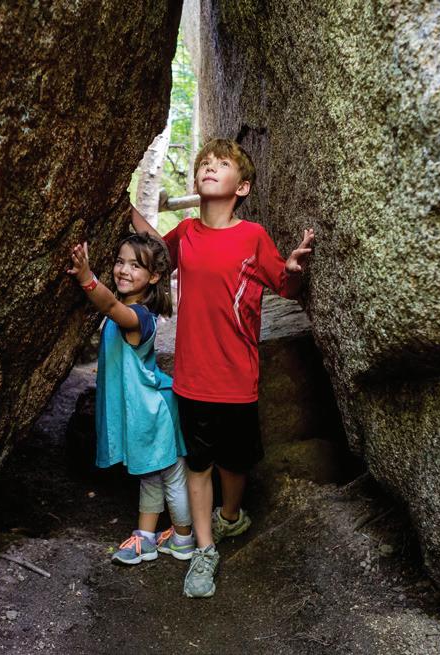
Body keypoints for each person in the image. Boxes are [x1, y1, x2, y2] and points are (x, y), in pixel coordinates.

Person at [131, 138, 315, 597]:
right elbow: (153, 248)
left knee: (234, 464)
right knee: (198, 465)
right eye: (204, 164)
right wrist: (122, 203)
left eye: (222, 164)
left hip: (237, 380)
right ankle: (204, 549)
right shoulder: (186, 233)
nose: (209, 168)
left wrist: (293, 268)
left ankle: (230, 516)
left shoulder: (252, 236)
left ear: (243, 186)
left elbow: (285, 286)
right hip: (192, 379)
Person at [67, 233, 195, 565]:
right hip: (141, 412)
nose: (124, 270)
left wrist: (87, 278)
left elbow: (110, 306)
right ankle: (146, 537)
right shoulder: (130, 310)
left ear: (153, 277)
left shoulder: (138, 317)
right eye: (120, 261)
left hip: (156, 412)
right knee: (149, 475)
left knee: (172, 476)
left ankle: (183, 538)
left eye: (135, 266)